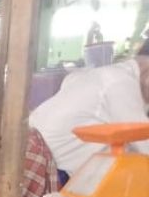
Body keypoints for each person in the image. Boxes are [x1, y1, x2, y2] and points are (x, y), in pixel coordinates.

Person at [28, 40, 149, 178]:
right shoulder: (119, 83)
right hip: (52, 171)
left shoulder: (99, 75)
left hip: (47, 159)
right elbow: (143, 141)